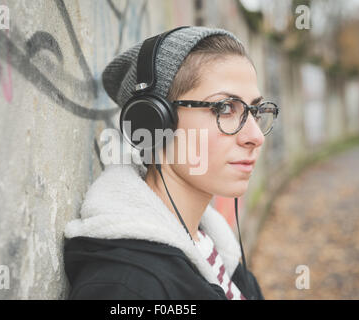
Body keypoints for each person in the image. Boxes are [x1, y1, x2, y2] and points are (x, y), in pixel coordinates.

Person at [64, 26, 279, 300]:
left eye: (255, 111)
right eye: (224, 108)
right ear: (153, 122)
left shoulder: (214, 248)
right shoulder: (125, 288)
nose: (256, 136)